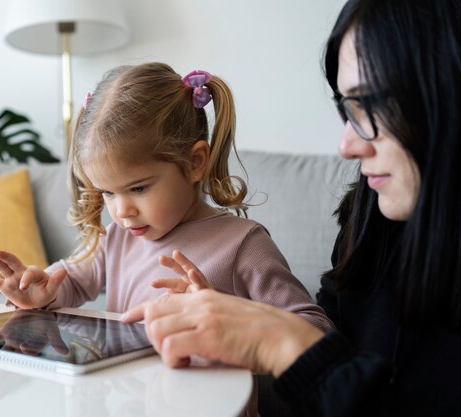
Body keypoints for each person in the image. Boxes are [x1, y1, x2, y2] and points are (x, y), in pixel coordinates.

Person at [123, 1, 461, 416]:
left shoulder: (245, 241)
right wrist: (239, 334)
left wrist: (283, 341)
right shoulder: (369, 213)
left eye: (374, 106)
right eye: (348, 109)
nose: (347, 146)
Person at [0, 62, 331, 333]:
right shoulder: (116, 238)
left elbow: (314, 329)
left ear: (194, 163)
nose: (122, 210)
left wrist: (227, 315)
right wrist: (43, 291)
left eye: (139, 188)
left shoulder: (243, 244)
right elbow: (73, 280)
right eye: (107, 192)